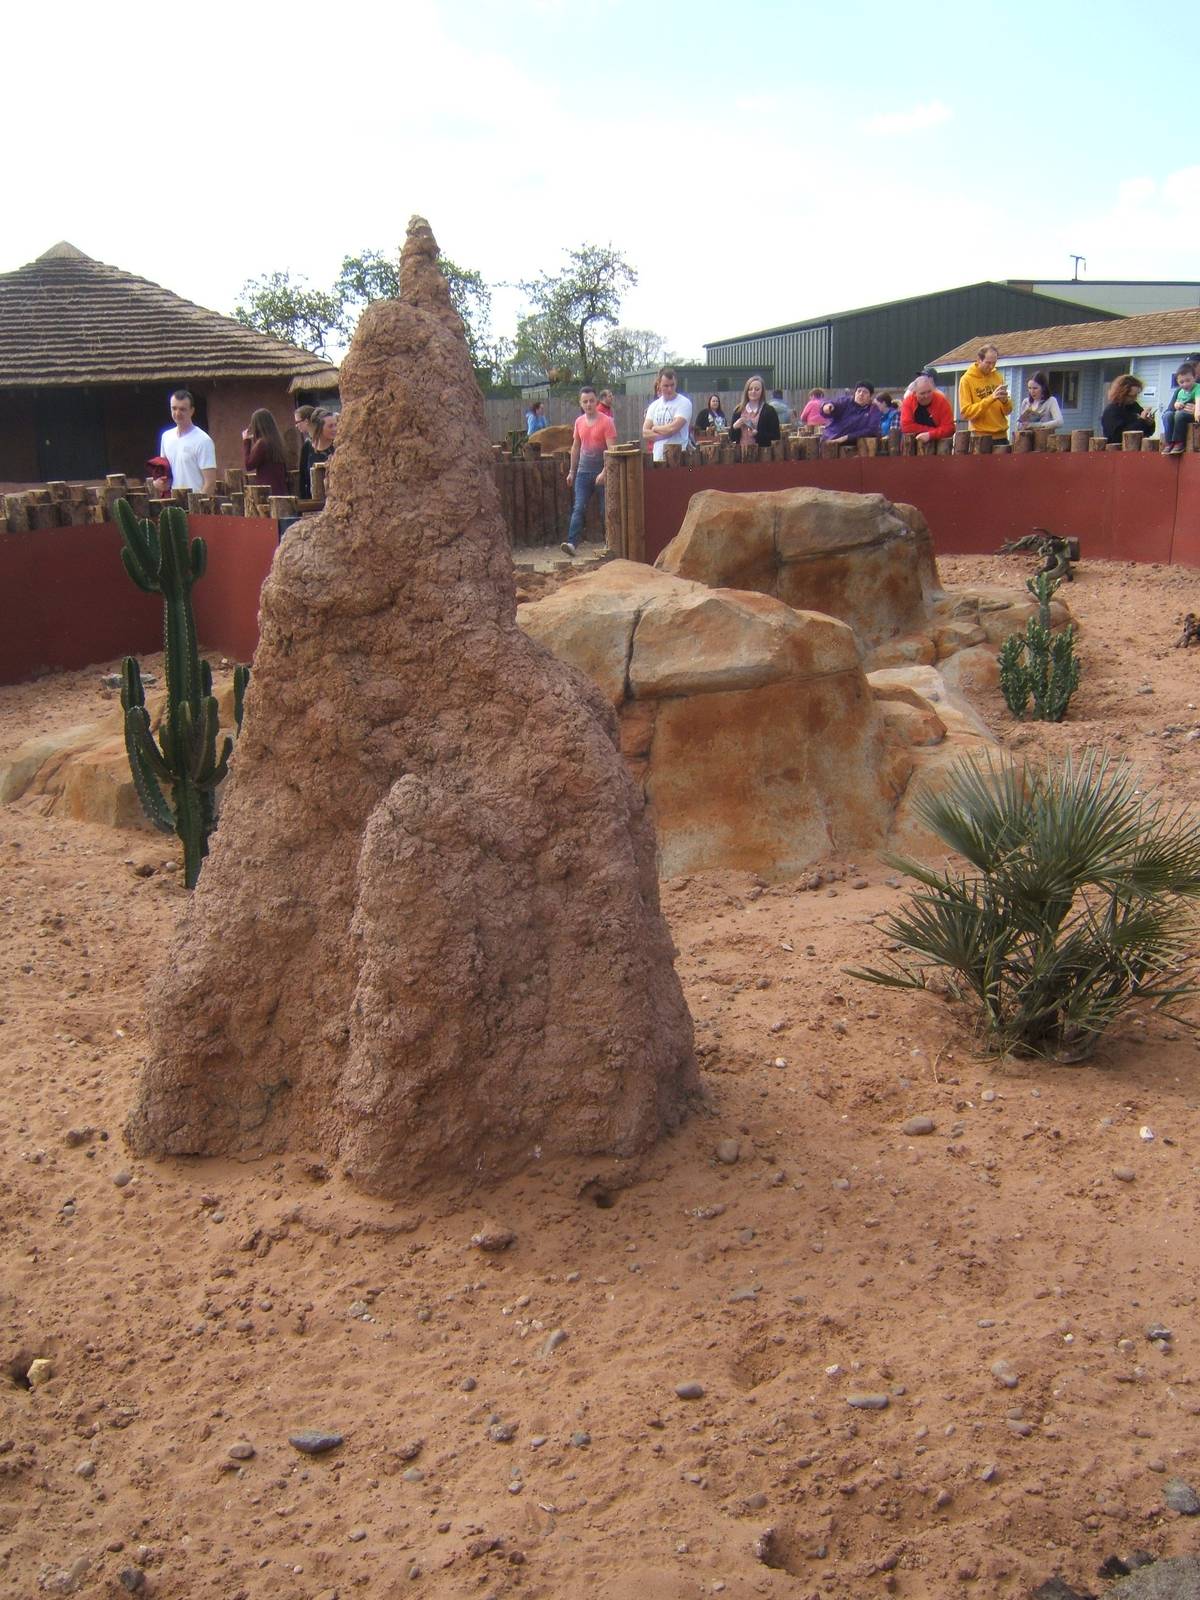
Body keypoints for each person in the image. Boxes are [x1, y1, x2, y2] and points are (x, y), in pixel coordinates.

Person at [560, 385, 617, 557]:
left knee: (605, 509)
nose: (589, 404)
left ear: (596, 401)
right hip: (583, 472)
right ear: (581, 403)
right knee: (579, 507)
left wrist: (605, 472)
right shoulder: (578, 422)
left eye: (592, 401)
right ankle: (572, 543)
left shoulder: (607, 422)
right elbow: (576, 447)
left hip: (601, 471)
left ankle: (611, 543)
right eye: (585, 401)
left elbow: (612, 450)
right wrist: (572, 471)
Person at [155, 389, 216, 496]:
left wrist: (197, 508)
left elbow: (210, 483)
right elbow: (165, 476)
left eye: (182, 409)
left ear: (192, 411)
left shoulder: (203, 441)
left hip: (195, 506)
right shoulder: (166, 437)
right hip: (173, 505)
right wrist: (158, 483)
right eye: (174, 408)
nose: (177, 413)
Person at [957, 344, 1012, 443]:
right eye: (988, 363)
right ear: (979, 360)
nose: (991, 367)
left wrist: (1005, 402)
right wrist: (991, 398)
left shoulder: (998, 377)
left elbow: (1008, 411)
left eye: (994, 363)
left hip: (1001, 435)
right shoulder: (966, 380)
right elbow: (966, 413)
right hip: (980, 438)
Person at [642, 367, 693, 461]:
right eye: (666, 386)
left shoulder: (684, 403)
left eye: (672, 385)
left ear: (676, 383)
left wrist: (655, 428)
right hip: (657, 458)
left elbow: (673, 428)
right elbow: (645, 433)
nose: (670, 389)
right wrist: (666, 434)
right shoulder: (653, 406)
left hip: (678, 459)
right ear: (659, 385)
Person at [241, 408, 291, 497]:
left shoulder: (262, 443)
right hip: (281, 490)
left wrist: (246, 441)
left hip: (268, 491)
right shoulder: (277, 441)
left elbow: (249, 465)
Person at [1100, 375, 1156, 445]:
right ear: (1121, 394)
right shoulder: (1111, 411)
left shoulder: (1134, 406)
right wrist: (1142, 421)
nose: (1135, 398)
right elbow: (1117, 437)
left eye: (1136, 395)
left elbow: (1147, 432)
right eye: (1131, 396)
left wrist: (1149, 423)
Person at [899, 373, 955, 443]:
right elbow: (906, 427)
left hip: (939, 445)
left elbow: (949, 428)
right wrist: (932, 431)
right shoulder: (908, 402)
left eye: (929, 392)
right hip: (911, 445)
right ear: (914, 393)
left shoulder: (941, 401)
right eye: (922, 393)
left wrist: (930, 435)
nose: (926, 396)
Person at [730, 376, 781, 451]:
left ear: (762, 391)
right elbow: (732, 438)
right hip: (741, 455)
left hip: (763, 456)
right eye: (750, 389)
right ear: (746, 391)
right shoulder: (738, 411)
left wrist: (757, 434)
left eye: (757, 389)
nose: (753, 391)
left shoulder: (769, 411)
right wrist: (734, 427)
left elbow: (776, 437)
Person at [1164, 363, 1197, 455]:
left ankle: (1179, 443)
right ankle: (1169, 442)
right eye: (1182, 382)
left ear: (1194, 377)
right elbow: (1170, 410)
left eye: (1188, 380)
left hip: (1193, 420)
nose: (1185, 384)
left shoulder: (1197, 388)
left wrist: (1197, 409)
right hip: (1181, 419)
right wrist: (1176, 404)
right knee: (1167, 415)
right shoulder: (1179, 391)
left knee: (1180, 414)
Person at [294, 404, 316, 498]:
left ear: (306, 421)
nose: (296, 425)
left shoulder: (310, 444)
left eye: (297, 422)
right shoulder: (307, 444)